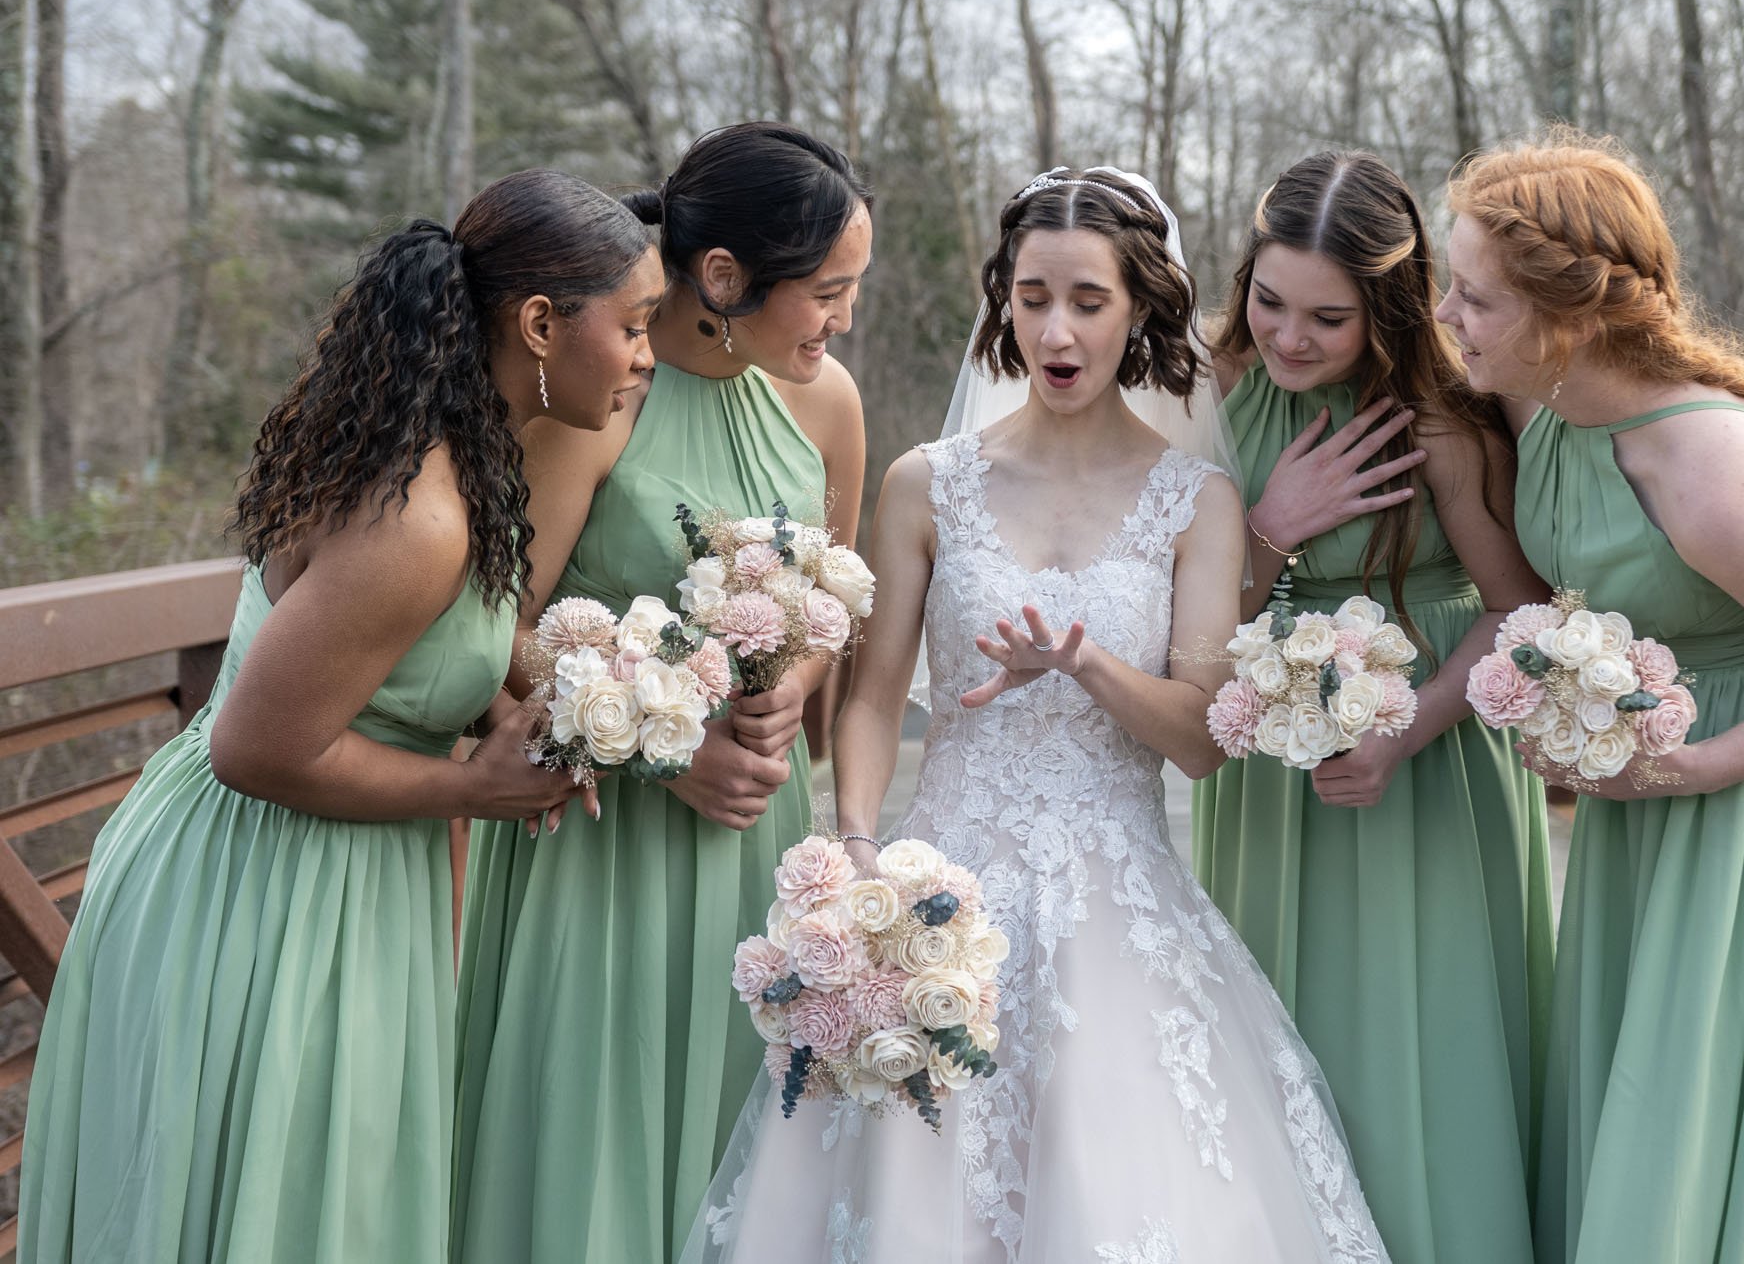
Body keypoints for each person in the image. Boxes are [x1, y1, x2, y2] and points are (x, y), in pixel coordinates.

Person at [679, 167, 1387, 1264]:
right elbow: (872, 700)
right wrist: (859, 846)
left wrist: (1086, 664)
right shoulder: (926, 482)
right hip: (938, 908)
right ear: (1001, 304)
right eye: (1032, 297)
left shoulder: (1197, 502)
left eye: (1088, 302)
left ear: (1139, 309)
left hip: (1119, 914)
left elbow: (1201, 740)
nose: (1056, 330)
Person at [19, 169, 661, 1263]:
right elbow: (254, 748)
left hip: (347, 870)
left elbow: (422, 649)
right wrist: (475, 787)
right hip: (267, 887)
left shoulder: (462, 455)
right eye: (635, 326)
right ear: (540, 325)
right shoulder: (418, 517)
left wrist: (583, 697)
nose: (646, 356)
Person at [1438, 130, 1744, 1264]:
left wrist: (1695, 766)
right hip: (1658, 774)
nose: (1446, 315)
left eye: (1473, 297)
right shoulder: (1540, 402)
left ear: (1568, 320)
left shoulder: (1707, 472)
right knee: (1647, 1082)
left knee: (1718, 1093)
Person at [451, 123, 872, 1262]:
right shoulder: (598, 403)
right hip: (608, 836)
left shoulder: (827, 400)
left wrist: (796, 681)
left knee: (751, 1131)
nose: (842, 320)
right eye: (827, 293)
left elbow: (836, 592)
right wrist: (663, 749)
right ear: (724, 278)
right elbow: (497, 633)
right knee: (605, 1132)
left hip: (761, 824)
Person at [1192, 149, 1554, 1264]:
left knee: (1420, 1034)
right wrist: (1271, 527)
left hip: (1424, 765)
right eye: (1269, 302)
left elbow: (1520, 611)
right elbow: (1183, 626)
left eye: (1328, 318)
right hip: (1268, 770)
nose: (1289, 338)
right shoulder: (1211, 393)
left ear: (1387, 308)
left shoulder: (1442, 422)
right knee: (1275, 1027)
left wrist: (1410, 728)